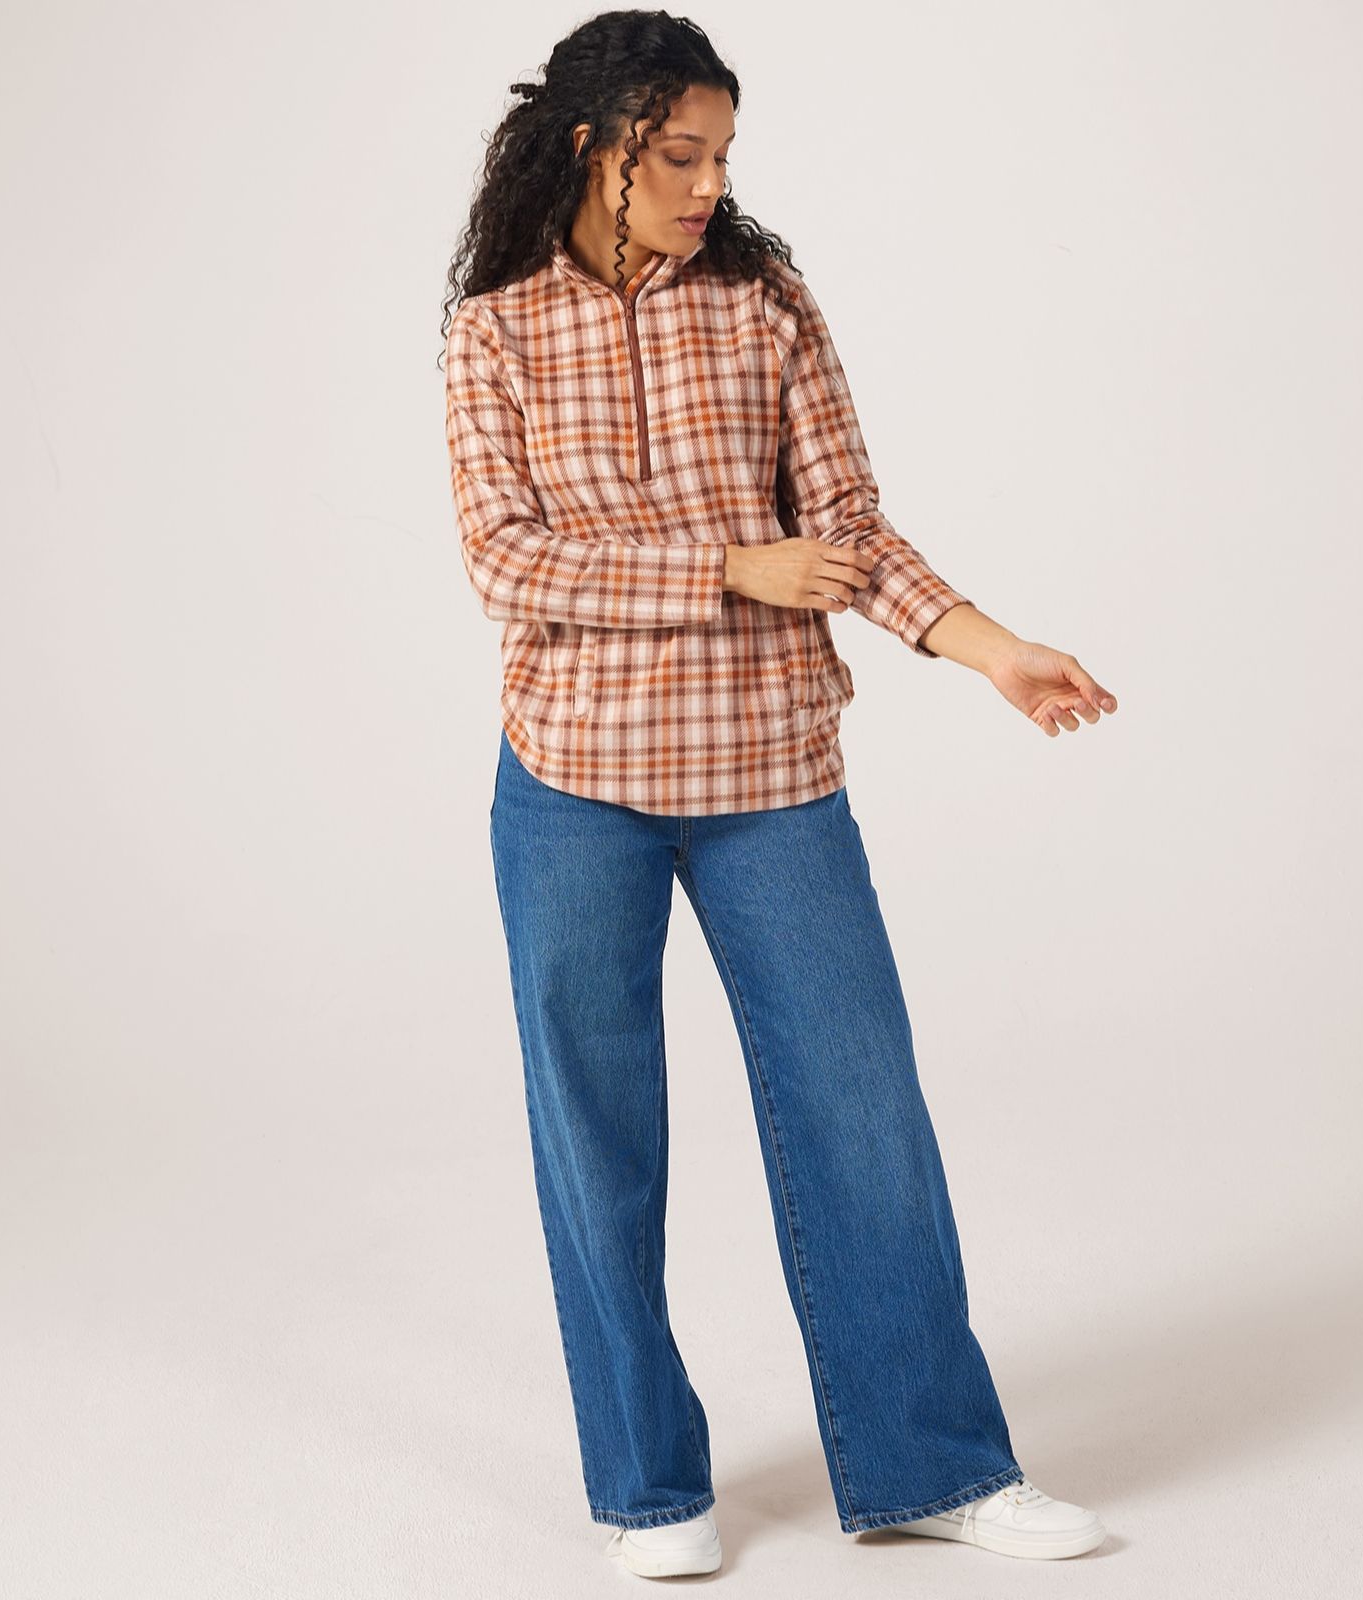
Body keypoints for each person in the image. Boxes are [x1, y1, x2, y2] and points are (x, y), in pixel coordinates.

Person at [441, 10, 1118, 1580]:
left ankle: (934, 1463)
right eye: (680, 156)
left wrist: (991, 648)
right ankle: (648, 1489)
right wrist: (729, 568)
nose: (710, 185)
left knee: (862, 1110)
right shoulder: (496, 331)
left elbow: (852, 531)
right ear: (592, 149)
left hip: (770, 771)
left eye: (724, 155)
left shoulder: (765, 304)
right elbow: (508, 562)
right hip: (571, 781)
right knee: (597, 1135)